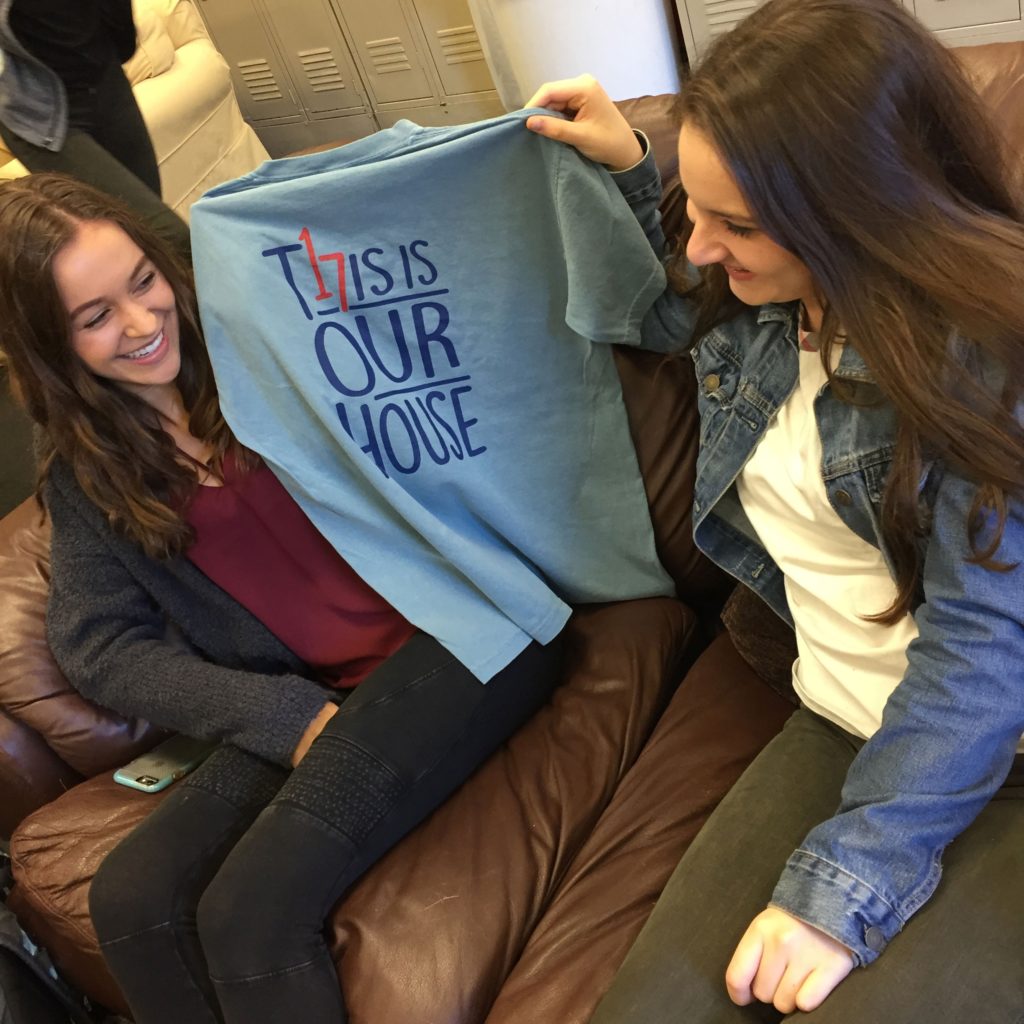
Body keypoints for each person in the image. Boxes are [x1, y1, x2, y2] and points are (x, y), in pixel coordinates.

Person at [525, 0, 1024, 1020]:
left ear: (860, 207)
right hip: (836, 719)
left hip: (996, 748)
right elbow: (659, 304)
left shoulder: (987, 361)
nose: (702, 248)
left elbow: (985, 652)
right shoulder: (764, 314)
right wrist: (630, 166)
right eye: (695, 209)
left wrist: (841, 891)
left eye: (736, 224)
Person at [0, 172, 564, 1024]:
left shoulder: (263, 338)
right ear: (50, 346)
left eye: (143, 281)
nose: (144, 324)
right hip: (319, 693)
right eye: (96, 317)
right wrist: (279, 715)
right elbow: (95, 645)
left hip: (466, 634)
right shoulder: (89, 468)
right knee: (130, 897)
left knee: (250, 917)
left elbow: (413, 247)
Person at [0, 0, 190, 258]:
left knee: (142, 237)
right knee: (169, 237)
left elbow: (119, 31)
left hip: (107, 84)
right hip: (43, 115)